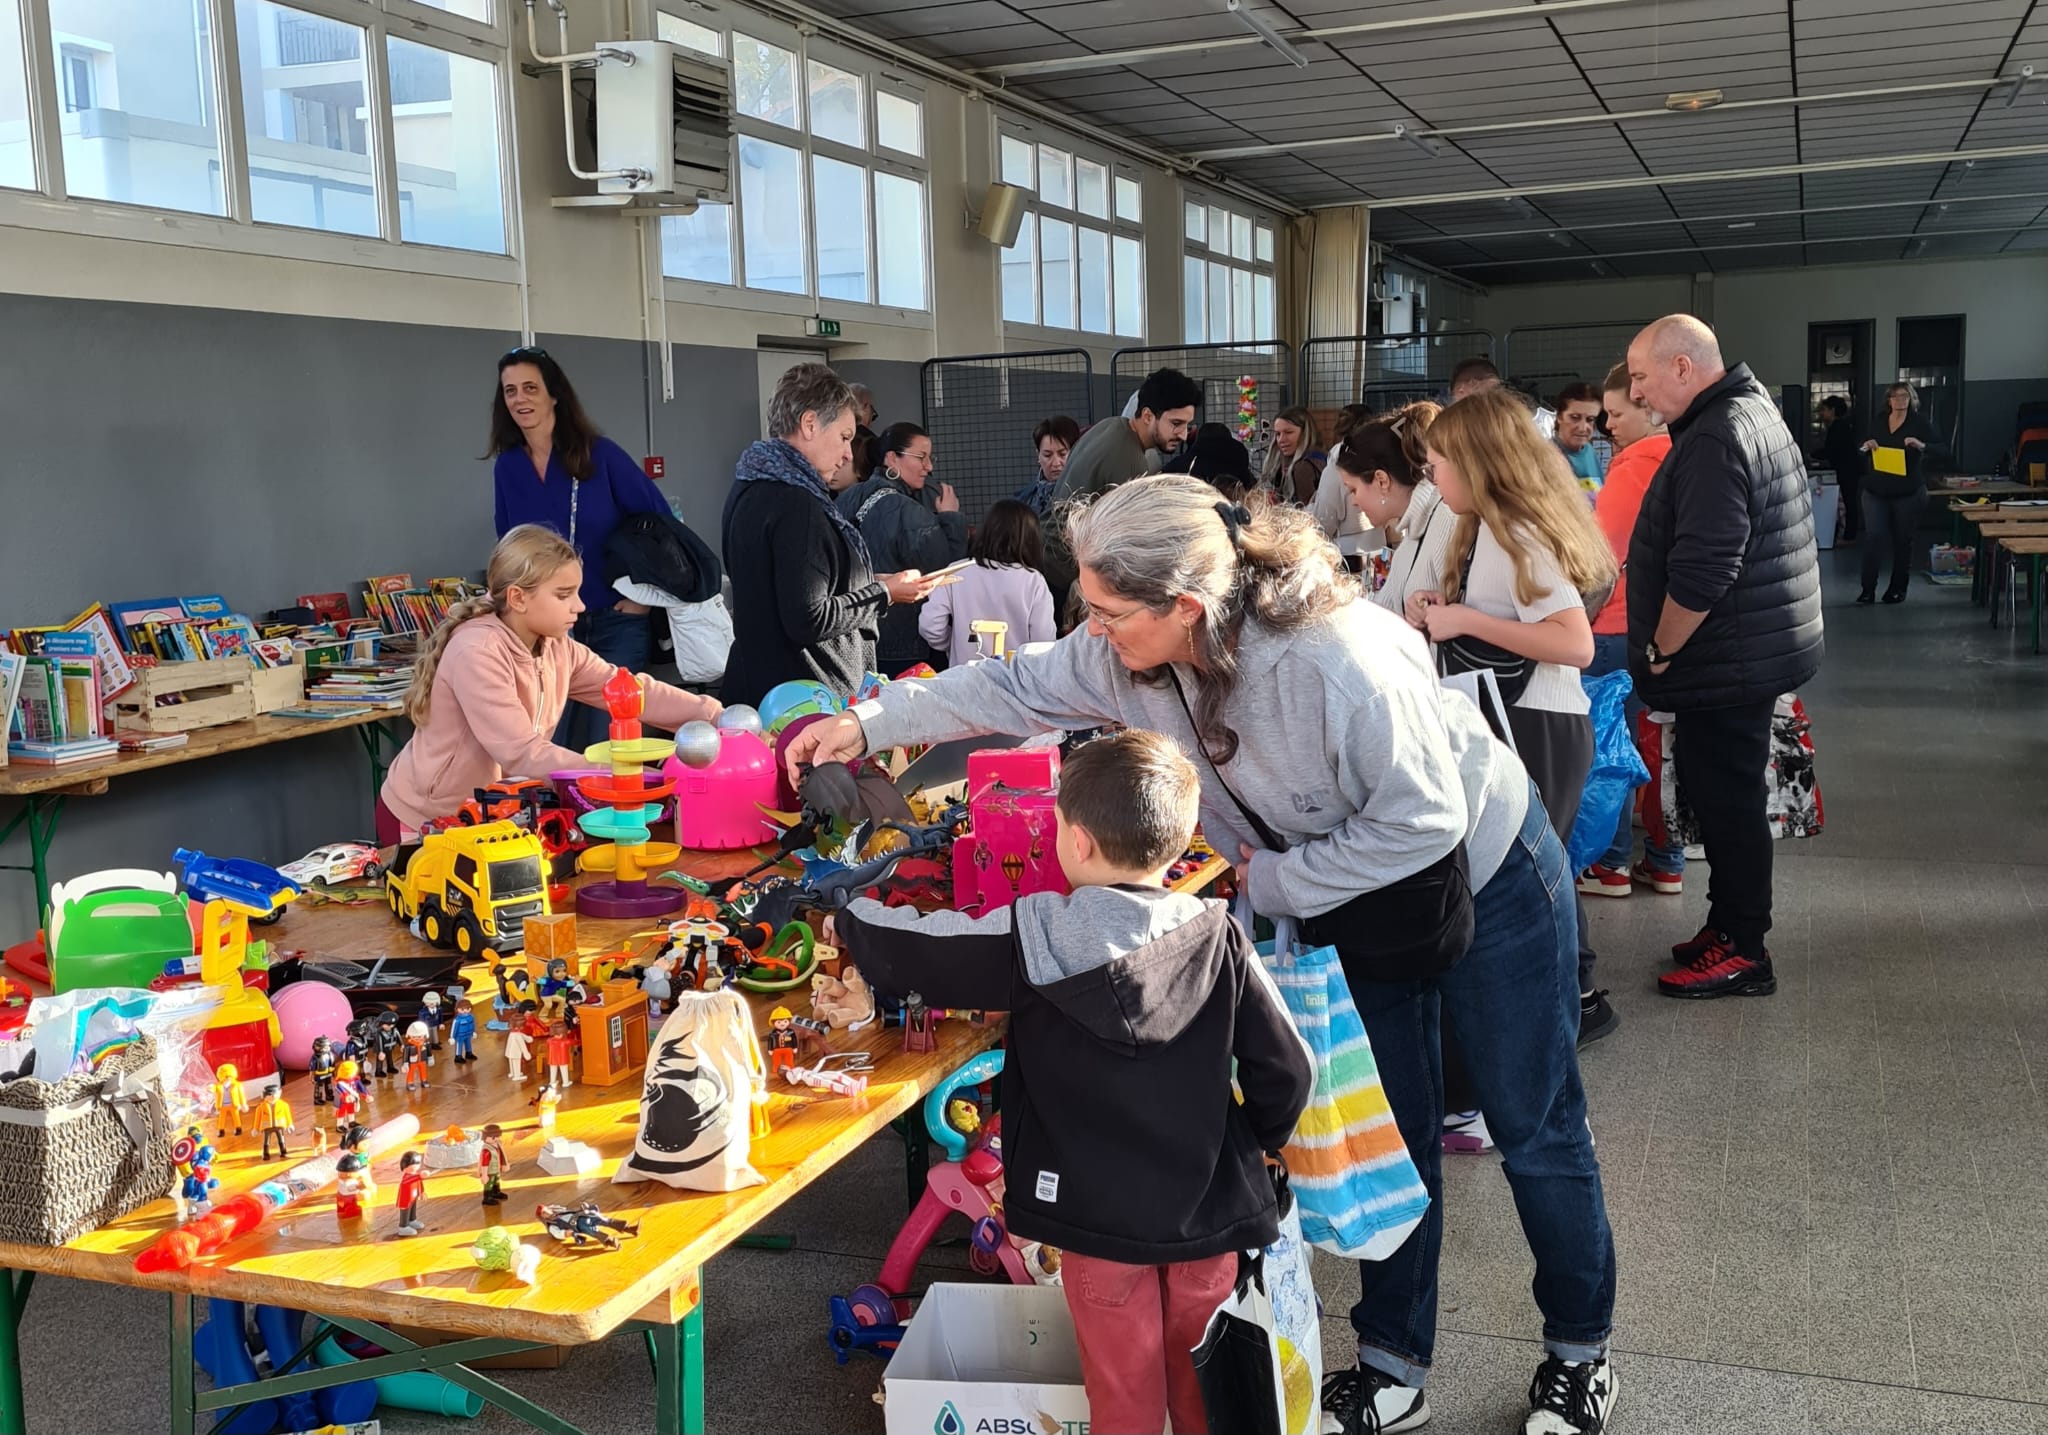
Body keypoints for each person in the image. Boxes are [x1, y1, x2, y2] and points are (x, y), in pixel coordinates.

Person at [787, 475, 1619, 1435]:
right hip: (1349, 886)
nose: (1088, 632)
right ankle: (1393, 1363)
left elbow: (1424, 819)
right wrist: (871, 722)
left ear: (1185, 605)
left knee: (1532, 1118)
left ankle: (1578, 1353)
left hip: (1480, 869)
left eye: (1105, 612)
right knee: (1391, 1127)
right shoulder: (1124, 658)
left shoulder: (1329, 659)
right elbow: (1013, 683)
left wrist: (1268, 884)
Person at [831, 730, 1313, 1435]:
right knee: (1211, 1386)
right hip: (1208, 1212)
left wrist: (847, 907)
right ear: (1179, 846)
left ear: (1078, 842)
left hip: (1093, 1219)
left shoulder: (1035, 934)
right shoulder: (1219, 938)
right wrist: (1255, 1138)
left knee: (1122, 1395)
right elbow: (1288, 1069)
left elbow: (924, 952)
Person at [1403, 391, 1618, 1040]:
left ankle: (1553, 1013)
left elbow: (1573, 642)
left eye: (1438, 463)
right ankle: (1572, 995)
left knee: (1524, 875)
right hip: (1523, 714)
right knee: (1538, 865)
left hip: (1540, 721)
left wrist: (1463, 619)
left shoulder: (1516, 530)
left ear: (1476, 462)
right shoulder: (1491, 527)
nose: (1432, 478)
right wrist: (1449, 607)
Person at [1625, 315, 1822, 1000]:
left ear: (1684, 367)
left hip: (1728, 656)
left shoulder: (1715, 435)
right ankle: (1729, 924)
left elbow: (1706, 570)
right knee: (1724, 797)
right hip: (1748, 648)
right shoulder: (1747, 408)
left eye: (1641, 376)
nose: (1635, 391)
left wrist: (1658, 648)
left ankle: (1743, 949)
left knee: (1732, 805)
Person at [377, 526, 720, 843]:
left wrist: (715, 718)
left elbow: (628, 690)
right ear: (518, 598)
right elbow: (524, 754)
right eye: (563, 595)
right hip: (424, 819)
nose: (580, 606)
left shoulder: (557, 645)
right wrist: (627, 777)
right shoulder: (477, 652)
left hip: (489, 817)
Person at [720, 363, 940, 708]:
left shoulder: (749, 484)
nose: (848, 454)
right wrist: (885, 593)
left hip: (759, 687)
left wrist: (868, 583)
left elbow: (785, 588)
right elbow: (809, 617)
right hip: (803, 705)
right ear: (809, 424)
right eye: (844, 437)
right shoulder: (798, 504)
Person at [488, 346, 672, 751]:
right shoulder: (508, 467)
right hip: (545, 631)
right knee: (552, 745)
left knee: (609, 745)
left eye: (530, 388)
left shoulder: (599, 455)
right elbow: (509, 552)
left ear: (554, 394)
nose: (520, 399)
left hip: (613, 622)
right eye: (511, 391)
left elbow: (663, 527)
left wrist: (640, 598)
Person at [1578, 362, 1684, 901]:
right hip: (1669, 628)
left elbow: (1603, 559)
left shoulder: (1633, 464)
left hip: (1615, 626)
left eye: (1617, 413)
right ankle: (1666, 861)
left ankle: (1611, 864)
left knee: (1610, 750)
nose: (1608, 426)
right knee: (1660, 743)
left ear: (1648, 406)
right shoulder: (1685, 458)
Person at [838, 422, 966, 672]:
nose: (929, 467)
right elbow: (945, 570)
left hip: (852, 635)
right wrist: (951, 518)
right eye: (920, 457)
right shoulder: (910, 513)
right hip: (904, 645)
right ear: (891, 458)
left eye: (930, 458)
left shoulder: (847, 498)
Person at [1334, 403, 1445, 610]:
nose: (1353, 501)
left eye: (1353, 490)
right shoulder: (1414, 531)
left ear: (1381, 481)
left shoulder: (1443, 520)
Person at [919, 499, 1055, 665]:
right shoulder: (1033, 580)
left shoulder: (956, 571)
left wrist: (954, 644)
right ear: (1031, 539)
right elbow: (1043, 642)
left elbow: (930, 625)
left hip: (963, 678)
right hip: (1015, 680)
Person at [1054, 369, 1201, 507]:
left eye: (1187, 425)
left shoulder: (1110, 425)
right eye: (1176, 423)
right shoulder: (1130, 460)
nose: (1184, 435)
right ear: (1147, 416)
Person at [1856, 382, 1945, 604]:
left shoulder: (1919, 422)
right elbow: (1861, 449)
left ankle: (1897, 589)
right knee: (1874, 537)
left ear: (1911, 399)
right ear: (1889, 400)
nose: (1900, 401)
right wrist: (1865, 447)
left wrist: (1921, 445)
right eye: (1895, 397)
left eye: (1904, 396)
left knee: (1902, 540)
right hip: (1876, 488)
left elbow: (1943, 450)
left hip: (1908, 491)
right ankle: (1867, 589)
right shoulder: (1878, 420)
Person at [1312, 403, 1379, 548]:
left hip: (1348, 556)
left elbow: (1323, 525)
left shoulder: (1335, 469)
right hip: (1382, 552)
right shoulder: (1383, 463)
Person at [1815, 395, 1862, 540]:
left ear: (1832, 410)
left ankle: (1849, 536)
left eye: (1824, 410)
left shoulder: (1838, 428)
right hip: (1849, 469)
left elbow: (1831, 450)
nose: (1821, 414)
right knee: (1848, 502)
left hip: (1847, 470)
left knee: (1849, 502)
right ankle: (1848, 534)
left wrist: (1812, 455)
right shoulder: (1842, 426)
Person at [1015, 415, 1081, 519]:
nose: (1055, 463)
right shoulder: (1023, 502)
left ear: (1076, 452)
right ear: (1038, 455)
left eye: (1062, 454)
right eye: (1047, 455)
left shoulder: (1086, 496)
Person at [1260, 405, 1325, 504]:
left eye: (1288, 432)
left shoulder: (1303, 467)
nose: (1281, 440)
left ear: (1305, 433)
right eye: (1278, 434)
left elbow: (1306, 513)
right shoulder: (1321, 455)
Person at [1553, 382, 1608, 493]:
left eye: (1590, 419)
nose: (1583, 428)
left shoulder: (1589, 452)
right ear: (1559, 416)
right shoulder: (1546, 456)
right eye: (1574, 418)